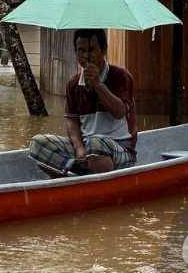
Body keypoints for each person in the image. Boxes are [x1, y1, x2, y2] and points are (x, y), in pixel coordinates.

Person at [28, 28, 137, 175]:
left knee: (95, 143)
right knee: (37, 144)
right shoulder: (73, 84)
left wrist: (98, 85)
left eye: (92, 50)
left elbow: (119, 112)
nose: (86, 56)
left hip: (120, 148)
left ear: (103, 50)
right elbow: (72, 122)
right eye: (81, 50)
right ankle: (80, 168)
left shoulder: (121, 76)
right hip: (87, 147)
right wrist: (79, 148)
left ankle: (75, 170)